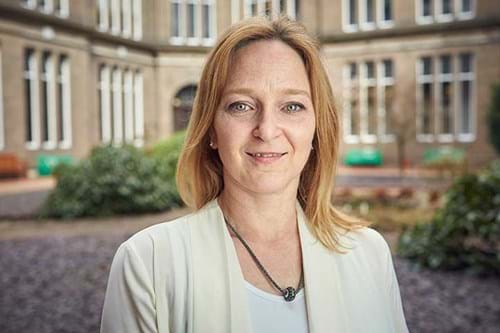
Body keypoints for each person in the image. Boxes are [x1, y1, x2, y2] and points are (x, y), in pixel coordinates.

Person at [100, 16, 409, 333]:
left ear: (316, 129)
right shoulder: (148, 264)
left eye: (291, 106)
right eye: (241, 106)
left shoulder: (369, 255)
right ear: (212, 130)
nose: (267, 130)